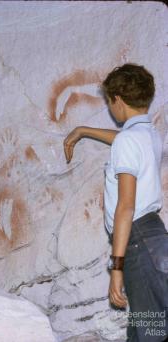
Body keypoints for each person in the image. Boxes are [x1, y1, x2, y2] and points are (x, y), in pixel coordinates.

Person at [63, 63, 167, 341]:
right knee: (148, 329)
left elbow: (126, 207)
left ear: (118, 100)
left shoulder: (129, 141)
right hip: (155, 240)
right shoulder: (150, 136)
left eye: (110, 101)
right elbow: (123, 140)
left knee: (150, 333)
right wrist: (84, 130)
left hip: (137, 243)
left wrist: (117, 268)